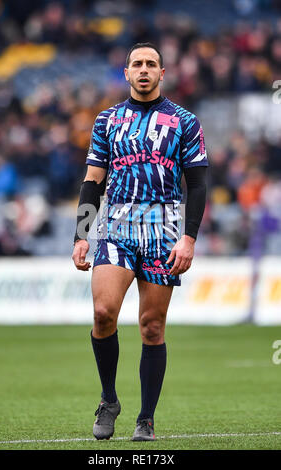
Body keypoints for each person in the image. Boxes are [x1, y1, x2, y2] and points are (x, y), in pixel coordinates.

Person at [72, 42, 208, 441]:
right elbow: (92, 183)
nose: (144, 69)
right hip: (115, 228)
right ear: (127, 73)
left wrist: (189, 238)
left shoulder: (184, 121)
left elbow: (197, 185)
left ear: (162, 73)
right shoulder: (107, 120)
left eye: (151, 64)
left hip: (163, 232)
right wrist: (82, 236)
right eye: (137, 64)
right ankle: (109, 399)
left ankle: (146, 418)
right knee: (103, 313)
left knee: (151, 326)